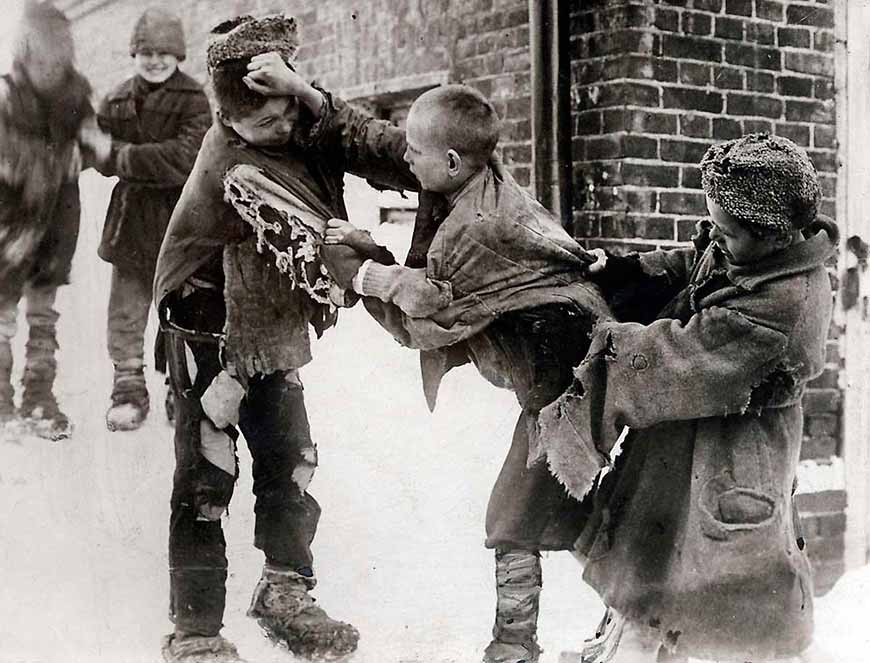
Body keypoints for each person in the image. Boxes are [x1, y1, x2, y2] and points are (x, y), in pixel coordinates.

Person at [152, 14, 418, 663]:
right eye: (267, 125)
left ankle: (285, 590)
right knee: (208, 467)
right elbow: (296, 283)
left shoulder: (299, 117)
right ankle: (196, 629)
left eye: (287, 116)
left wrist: (312, 99)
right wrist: (232, 382)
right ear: (231, 118)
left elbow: (397, 157)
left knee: (289, 456)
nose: (284, 133)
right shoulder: (240, 168)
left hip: (271, 310)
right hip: (210, 312)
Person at [323, 84, 611, 663]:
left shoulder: (478, 227)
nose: (405, 162)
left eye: (414, 154)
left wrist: (360, 270)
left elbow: (429, 313)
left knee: (514, 515)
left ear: (451, 163)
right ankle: (623, 616)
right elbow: (429, 276)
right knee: (552, 510)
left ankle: (516, 647)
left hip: (568, 379)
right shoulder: (468, 178)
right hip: (559, 371)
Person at [535, 133, 834, 663]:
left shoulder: (785, 304)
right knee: (656, 565)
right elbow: (693, 261)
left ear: (771, 234)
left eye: (727, 231)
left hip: (733, 459)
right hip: (686, 446)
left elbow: (679, 359)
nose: (715, 240)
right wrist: (626, 271)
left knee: (722, 595)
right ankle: (633, 645)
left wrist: (603, 339)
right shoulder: (750, 252)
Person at [94, 7, 210, 432]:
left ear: (178, 54)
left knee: (182, 308)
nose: (155, 60)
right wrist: (113, 156)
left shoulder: (194, 99)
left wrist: (123, 156)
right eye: (146, 51)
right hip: (129, 221)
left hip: (180, 220)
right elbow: (95, 148)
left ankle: (181, 389)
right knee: (125, 311)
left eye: (165, 52)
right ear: (134, 53)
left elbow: (184, 159)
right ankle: (127, 389)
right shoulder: (117, 98)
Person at [0, 1, 102, 441]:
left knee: (44, 314)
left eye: (57, 57)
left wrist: (87, 149)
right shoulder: (5, 97)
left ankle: (39, 395)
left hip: (58, 224)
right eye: (39, 57)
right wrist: (47, 162)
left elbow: (97, 147)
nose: (48, 67)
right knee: (2, 312)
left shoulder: (77, 96)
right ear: (23, 54)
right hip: (9, 224)